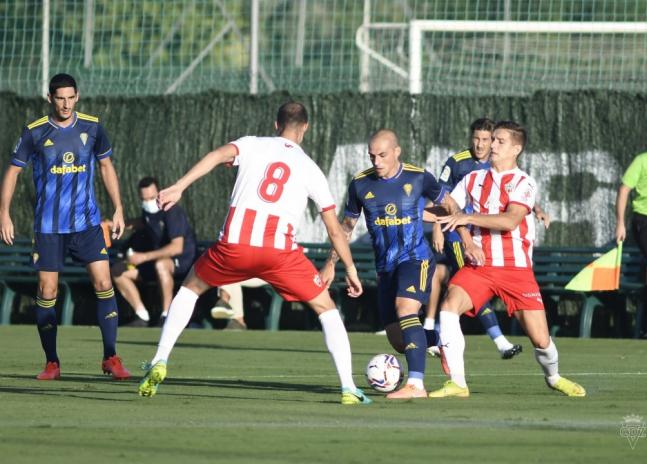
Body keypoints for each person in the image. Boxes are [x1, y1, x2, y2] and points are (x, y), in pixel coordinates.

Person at [138, 101, 372, 405]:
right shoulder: (311, 169)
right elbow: (334, 229)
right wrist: (350, 270)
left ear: (276, 125)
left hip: (234, 246)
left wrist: (180, 186)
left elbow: (215, 156)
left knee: (191, 289)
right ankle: (348, 388)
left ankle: (160, 359)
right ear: (305, 129)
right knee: (326, 309)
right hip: (279, 254)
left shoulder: (251, 144)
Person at [431, 120, 585, 398]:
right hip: (480, 267)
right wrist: (413, 216)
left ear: (516, 148)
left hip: (516, 269)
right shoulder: (472, 179)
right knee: (448, 307)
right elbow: (447, 208)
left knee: (540, 339)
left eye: (500, 141)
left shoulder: (523, 182)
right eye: (493, 140)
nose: (493, 145)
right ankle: (458, 383)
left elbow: (510, 220)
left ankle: (554, 376)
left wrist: (466, 217)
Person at [0, 73, 130, 380]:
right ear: (49, 98)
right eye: (60, 98)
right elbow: (13, 172)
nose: (66, 104)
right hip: (48, 227)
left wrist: (119, 208)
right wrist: (4, 213)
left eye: (71, 97)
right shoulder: (34, 132)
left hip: (86, 224)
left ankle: (111, 357)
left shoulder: (92, 127)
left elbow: (107, 167)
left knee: (103, 283)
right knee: (47, 290)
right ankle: (52, 362)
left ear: (78, 96)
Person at [321, 129, 445, 399]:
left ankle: (416, 385)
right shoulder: (360, 184)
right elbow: (346, 228)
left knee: (406, 309)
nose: (376, 161)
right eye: (372, 155)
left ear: (397, 152)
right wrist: (331, 263)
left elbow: (450, 206)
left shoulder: (419, 176)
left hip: (416, 258)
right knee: (399, 341)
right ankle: (441, 342)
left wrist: (439, 226)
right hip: (385, 267)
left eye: (382, 155)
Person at [426, 118, 530, 361]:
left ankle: (436, 336)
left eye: (487, 139)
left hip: (484, 239)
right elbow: (441, 198)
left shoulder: (500, 164)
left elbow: (517, 196)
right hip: (457, 234)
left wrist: (538, 209)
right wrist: (438, 228)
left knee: (462, 289)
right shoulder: (457, 163)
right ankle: (500, 341)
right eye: (477, 139)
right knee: (471, 285)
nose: (482, 144)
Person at [112, 176, 197, 327]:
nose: (149, 202)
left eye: (152, 198)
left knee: (161, 265)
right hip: (154, 262)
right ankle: (141, 316)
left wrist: (143, 257)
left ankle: (166, 316)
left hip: (181, 263)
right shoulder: (148, 212)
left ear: (159, 193)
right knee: (118, 271)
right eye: (144, 199)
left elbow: (177, 247)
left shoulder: (172, 211)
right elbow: (142, 223)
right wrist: (116, 224)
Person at [615, 146, 647, 339]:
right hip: (645, 220)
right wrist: (620, 223)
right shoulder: (643, 160)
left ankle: (646, 322)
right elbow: (624, 189)